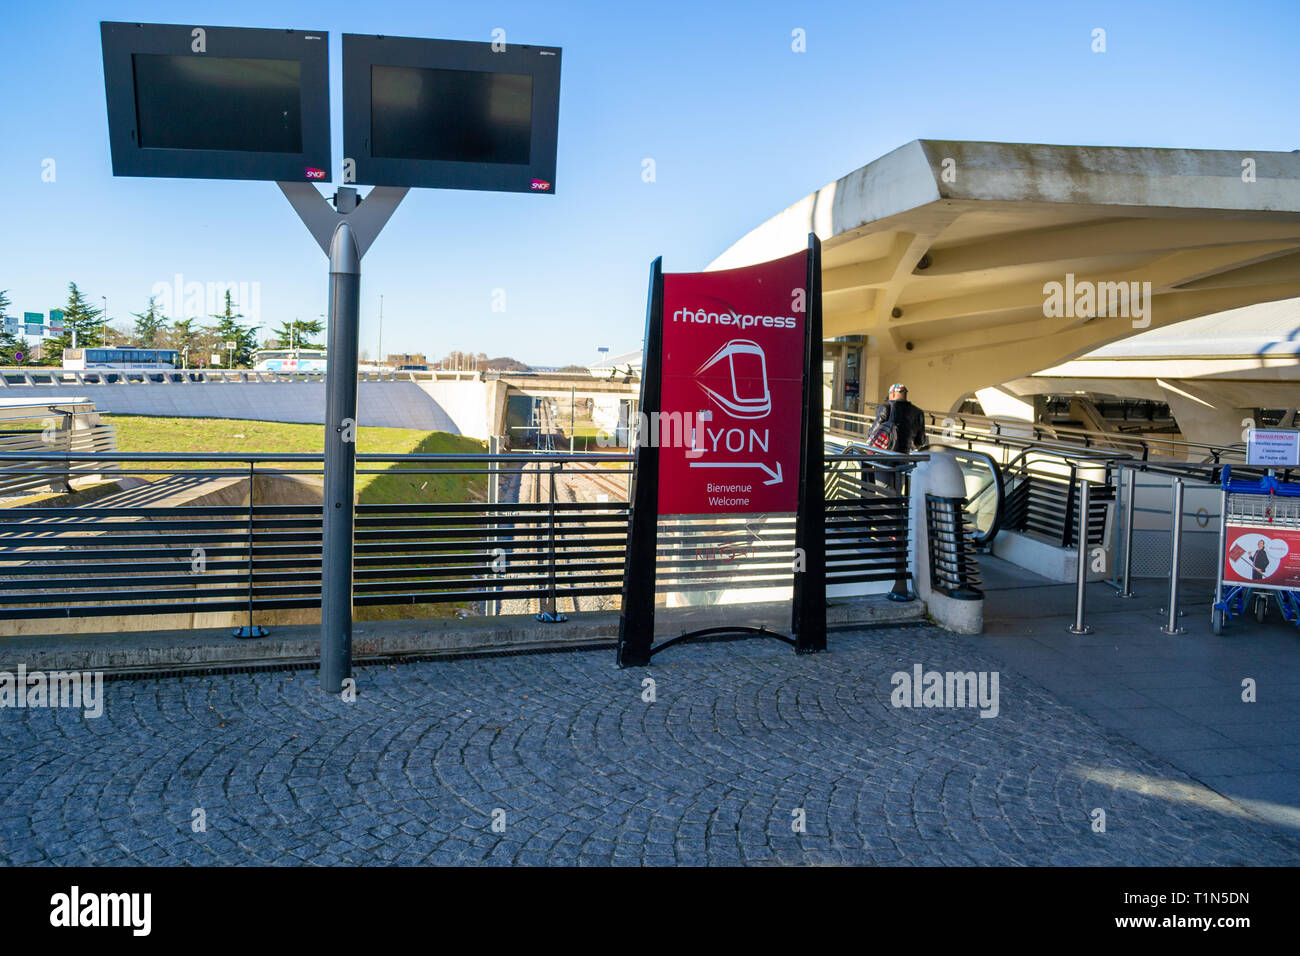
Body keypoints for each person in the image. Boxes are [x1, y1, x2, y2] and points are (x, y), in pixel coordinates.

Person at [867, 383, 927, 454]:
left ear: (892, 394)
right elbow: (920, 441)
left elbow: (872, 432)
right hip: (904, 457)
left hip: (885, 455)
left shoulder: (886, 407)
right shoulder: (918, 412)